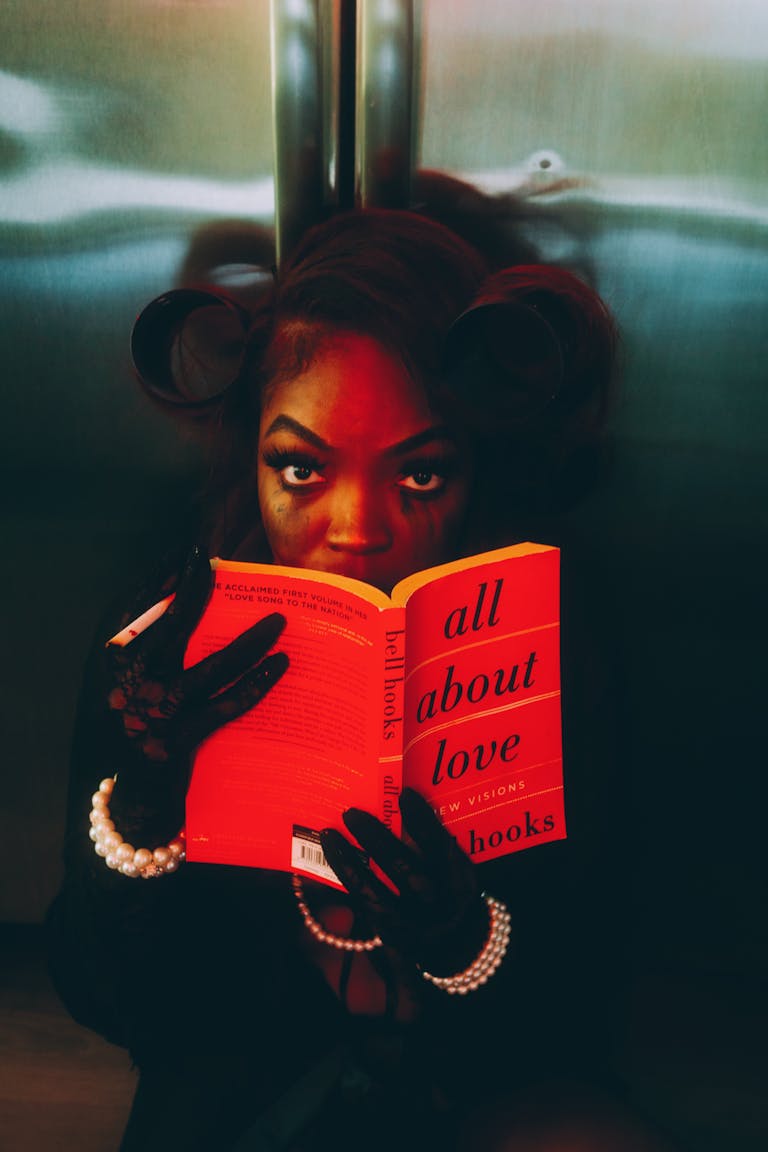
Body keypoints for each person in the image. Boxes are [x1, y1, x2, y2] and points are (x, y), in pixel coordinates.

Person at [46, 201, 676, 1151]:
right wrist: (143, 816)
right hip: (242, 1089)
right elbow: (107, 999)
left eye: (419, 476)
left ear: (475, 471)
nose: (356, 531)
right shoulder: (161, 653)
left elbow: (580, 1006)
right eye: (302, 470)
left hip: (482, 1084)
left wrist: (463, 939)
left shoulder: (552, 650)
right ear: (251, 457)